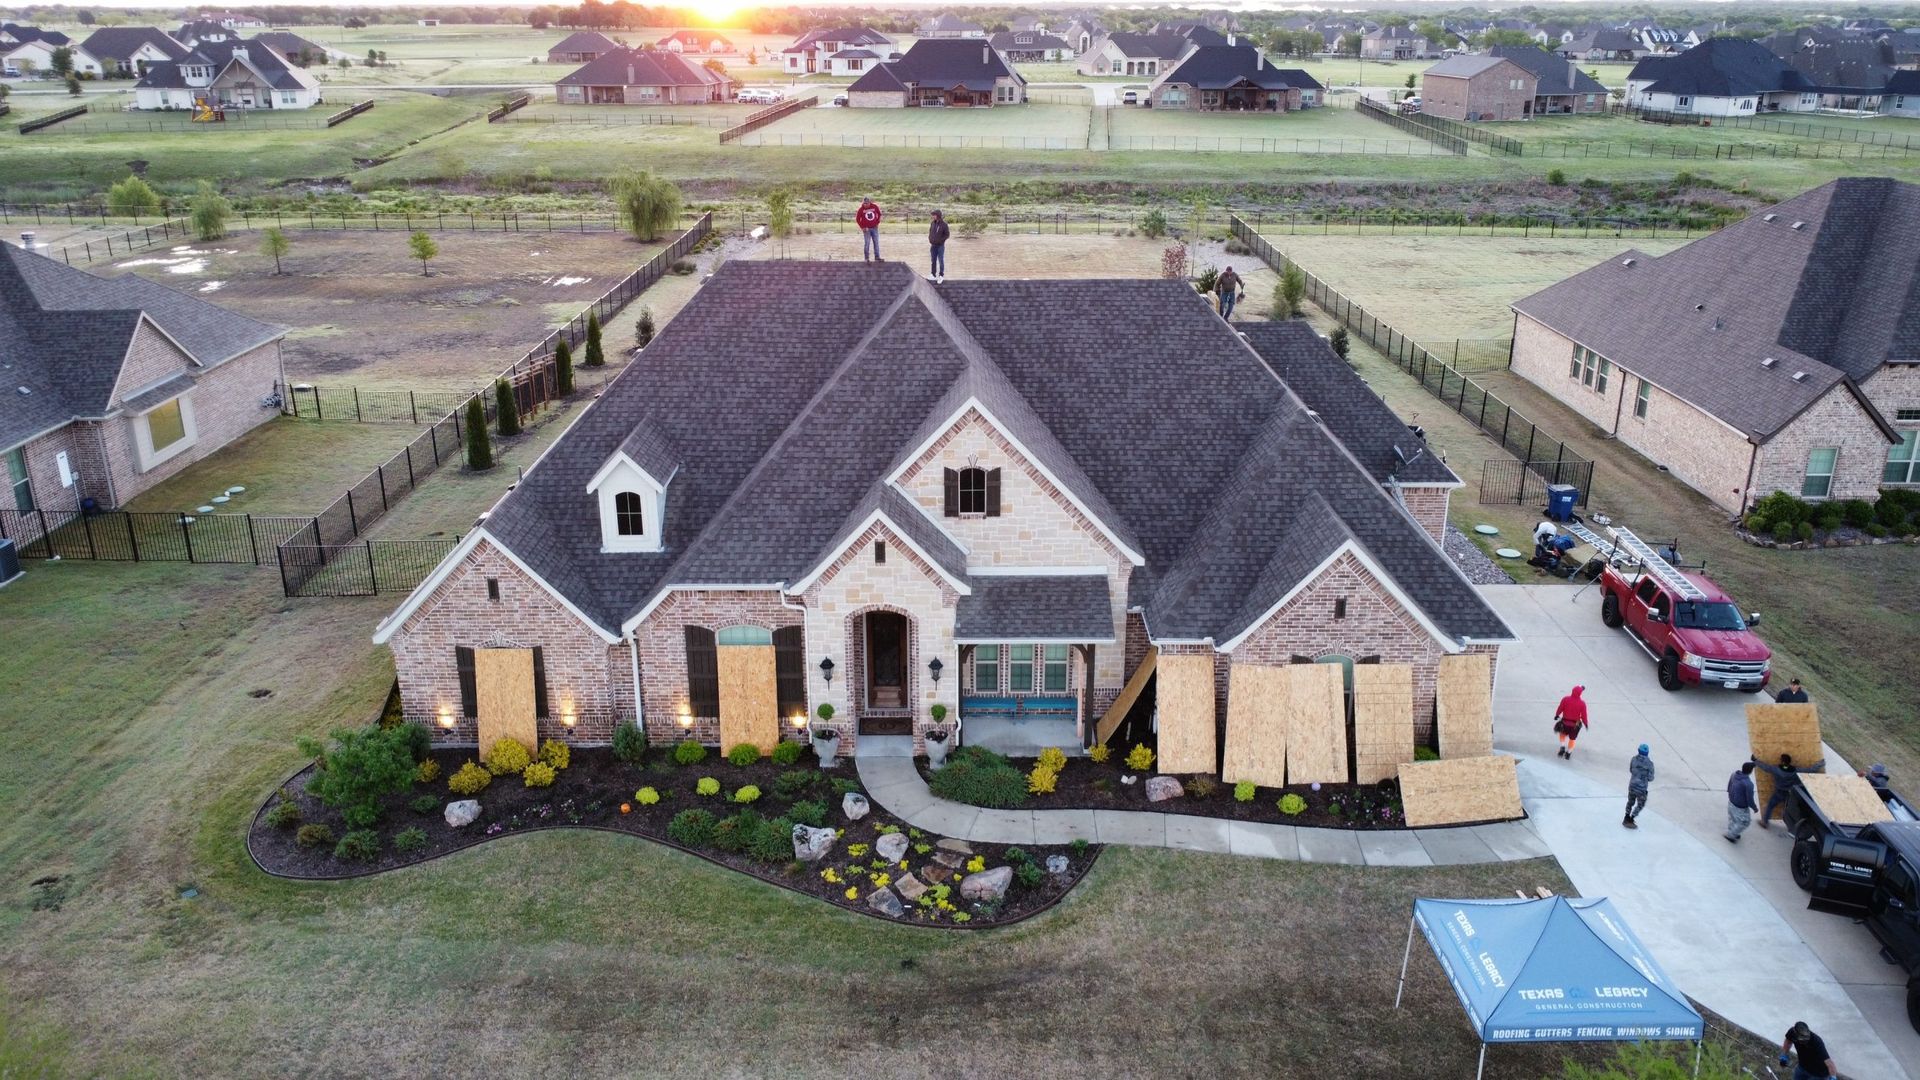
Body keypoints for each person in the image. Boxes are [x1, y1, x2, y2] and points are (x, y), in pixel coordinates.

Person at [1753, 752, 1825, 828]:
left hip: (1778, 793)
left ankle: (1764, 822)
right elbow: (1810, 770)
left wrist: (1755, 760)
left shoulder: (1776, 770)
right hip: (1788, 794)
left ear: (1783, 762)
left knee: (1770, 806)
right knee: (1788, 811)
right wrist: (1820, 763)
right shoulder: (1795, 771)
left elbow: (1765, 767)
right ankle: (1792, 826)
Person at [1552, 685, 1589, 759]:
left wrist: (1557, 715)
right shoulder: (1582, 703)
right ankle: (1568, 753)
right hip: (1575, 725)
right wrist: (1586, 723)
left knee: (1562, 734)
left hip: (1565, 722)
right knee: (1572, 739)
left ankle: (1562, 747)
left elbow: (1560, 708)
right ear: (1580, 694)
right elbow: (1584, 715)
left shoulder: (1565, 699)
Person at [1725, 761, 1758, 843]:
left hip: (1731, 802)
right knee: (1745, 822)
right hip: (1740, 807)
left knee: (1733, 818)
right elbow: (1750, 799)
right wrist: (1754, 808)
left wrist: (1730, 795)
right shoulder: (1748, 784)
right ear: (1751, 771)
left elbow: (1729, 786)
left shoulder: (1734, 774)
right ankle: (1731, 835)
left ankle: (1733, 832)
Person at [1625, 744, 1654, 829]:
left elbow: (1631, 770)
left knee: (1630, 801)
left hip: (1632, 785)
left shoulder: (1633, 759)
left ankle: (1626, 816)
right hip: (1641, 789)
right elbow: (1650, 778)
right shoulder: (1650, 764)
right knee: (1640, 804)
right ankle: (1632, 818)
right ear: (1647, 752)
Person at [856, 197, 882, 262]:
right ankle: (866, 258)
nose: (865, 204)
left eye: (867, 203)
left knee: (876, 242)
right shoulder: (861, 209)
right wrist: (862, 227)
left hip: (874, 228)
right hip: (866, 229)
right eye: (864, 203)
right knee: (867, 243)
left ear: (869, 202)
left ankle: (877, 257)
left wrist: (877, 222)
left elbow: (879, 214)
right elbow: (857, 219)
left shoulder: (875, 207)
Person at [927, 209, 949, 282]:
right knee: (933, 260)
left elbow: (947, 235)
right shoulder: (933, 223)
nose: (933, 216)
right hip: (933, 246)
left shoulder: (944, 224)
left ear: (938, 215)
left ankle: (941, 275)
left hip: (940, 246)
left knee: (940, 260)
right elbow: (930, 231)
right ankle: (933, 274)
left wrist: (940, 241)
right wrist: (930, 238)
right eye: (932, 215)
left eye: (934, 215)